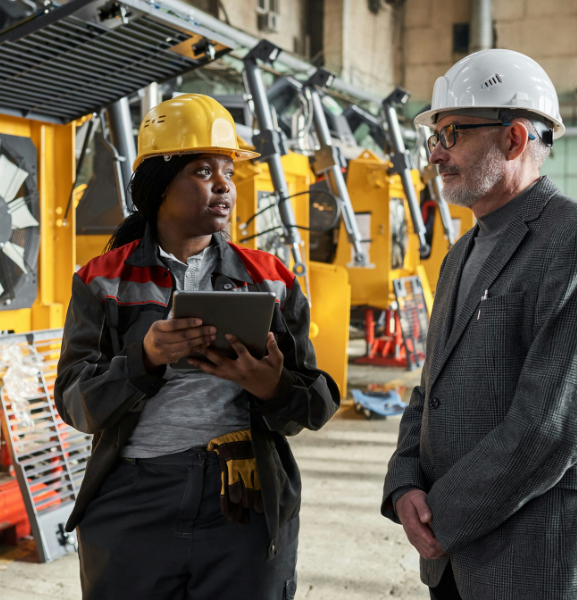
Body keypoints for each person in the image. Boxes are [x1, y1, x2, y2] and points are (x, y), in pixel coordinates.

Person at [55, 93, 340, 599]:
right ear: (160, 183)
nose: (224, 185)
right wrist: (144, 360)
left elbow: (314, 406)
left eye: (228, 171)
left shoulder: (270, 279)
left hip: (243, 498)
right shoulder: (103, 280)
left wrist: (271, 386)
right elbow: (76, 403)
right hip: (134, 502)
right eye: (204, 171)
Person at [382, 49, 577, 599]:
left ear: (514, 139)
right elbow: (431, 388)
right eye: (434, 136)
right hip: (448, 559)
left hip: (527, 555)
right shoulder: (459, 254)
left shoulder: (567, 242)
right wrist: (404, 482)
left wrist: (439, 515)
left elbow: (549, 428)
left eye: (452, 133)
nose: (435, 153)